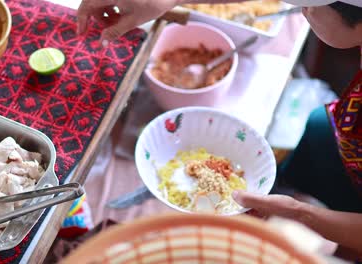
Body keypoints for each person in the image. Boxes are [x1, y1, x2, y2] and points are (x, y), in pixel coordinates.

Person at [78, 0, 362, 258]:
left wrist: (302, 214)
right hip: (345, 146)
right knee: (317, 128)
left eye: (312, 6)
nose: (301, 10)